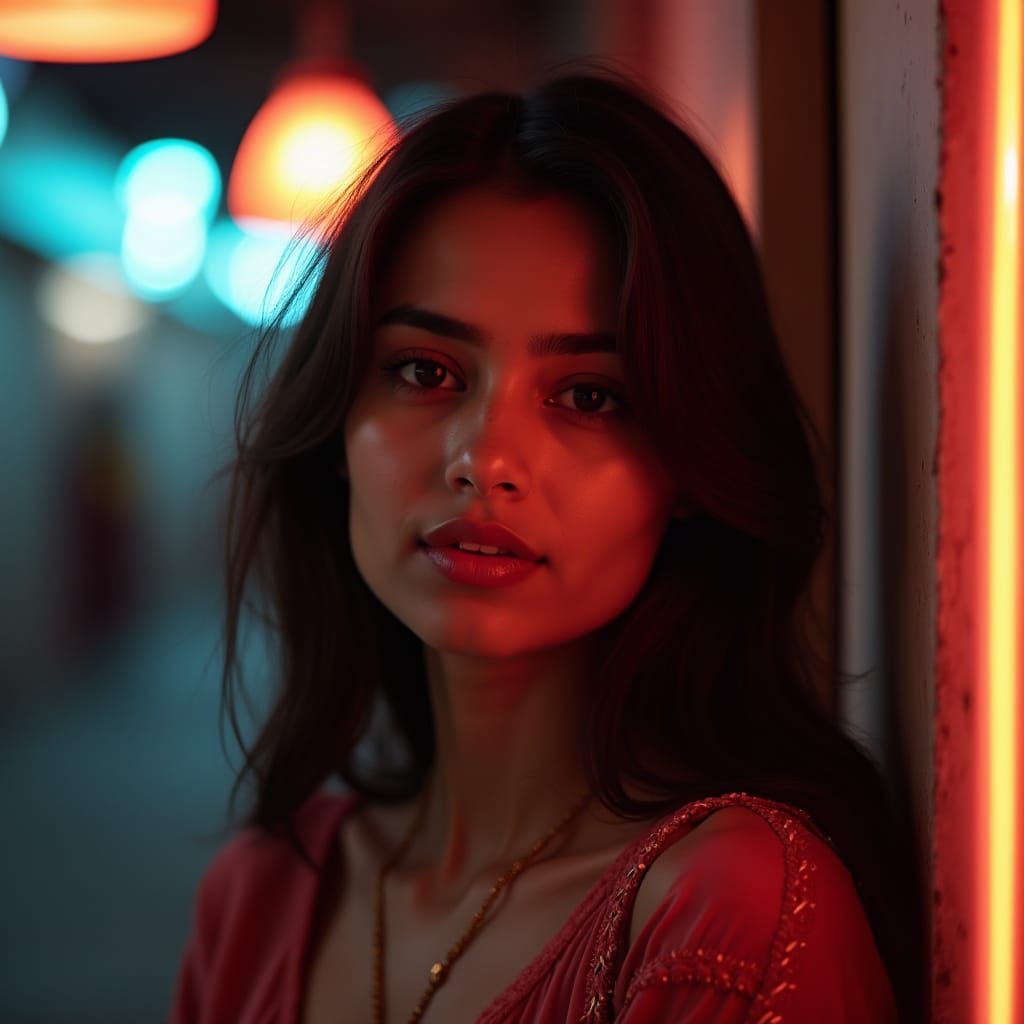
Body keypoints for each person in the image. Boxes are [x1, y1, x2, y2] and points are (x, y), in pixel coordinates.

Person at [169, 61, 926, 1023]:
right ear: (335, 432)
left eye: (589, 396)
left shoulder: (725, 913)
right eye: (425, 370)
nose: (484, 459)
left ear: (690, 470)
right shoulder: (259, 895)